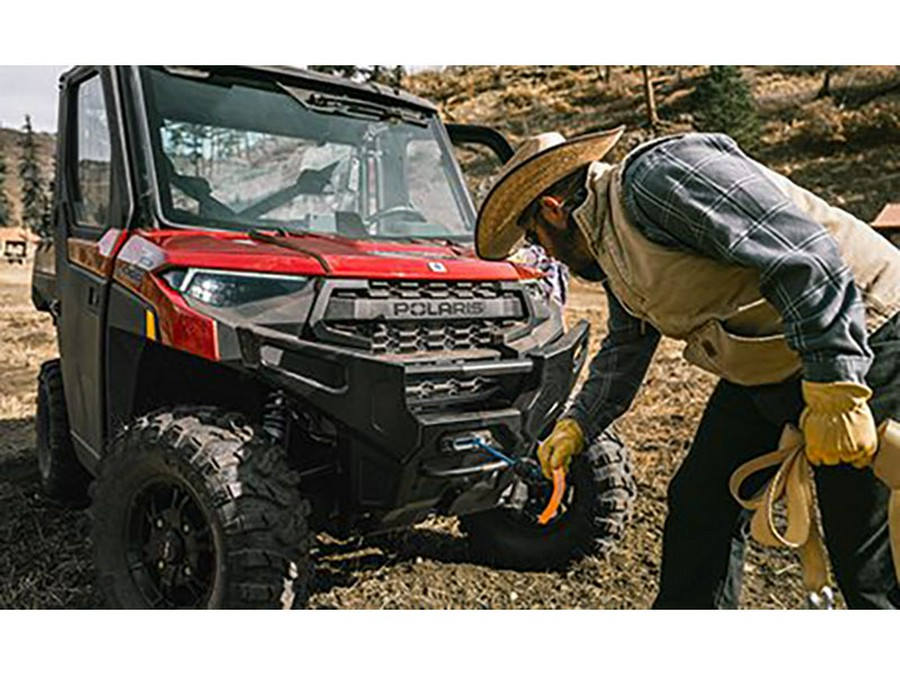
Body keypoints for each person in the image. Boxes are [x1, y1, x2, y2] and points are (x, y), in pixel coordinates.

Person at [475, 128, 900, 609]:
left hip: (863, 332)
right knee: (702, 506)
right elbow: (627, 343)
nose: (547, 254)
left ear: (552, 209)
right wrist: (579, 423)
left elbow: (806, 257)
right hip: (771, 361)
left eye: (535, 237)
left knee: (864, 558)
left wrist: (836, 385)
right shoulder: (608, 241)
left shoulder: (658, 180)